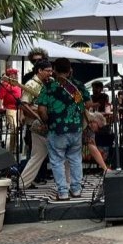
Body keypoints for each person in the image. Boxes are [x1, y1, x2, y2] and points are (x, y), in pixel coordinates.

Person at [35, 58, 88, 201]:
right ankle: (76, 190)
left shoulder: (49, 87)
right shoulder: (76, 86)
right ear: (70, 69)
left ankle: (63, 192)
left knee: (57, 161)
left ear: (54, 70)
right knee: (75, 159)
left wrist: (47, 120)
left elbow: (41, 109)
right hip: (75, 129)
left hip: (56, 129)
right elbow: (86, 104)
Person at [18, 60, 53, 190]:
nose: (50, 73)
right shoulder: (31, 84)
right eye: (48, 71)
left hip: (41, 124)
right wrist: (38, 116)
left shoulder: (47, 83)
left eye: (51, 71)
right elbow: (24, 104)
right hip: (36, 125)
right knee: (58, 154)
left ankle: (23, 183)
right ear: (39, 71)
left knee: (37, 156)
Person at [0, 68, 22, 152]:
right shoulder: (5, 85)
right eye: (14, 74)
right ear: (10, 76)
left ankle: (17, 145)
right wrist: (0, 107)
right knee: (14, 127)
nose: (16, 76)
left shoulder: (18, 85)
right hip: (10, 108)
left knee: (19, 127)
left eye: (16, 74)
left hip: (19, 109)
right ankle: (12, 148)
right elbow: (0, 98)